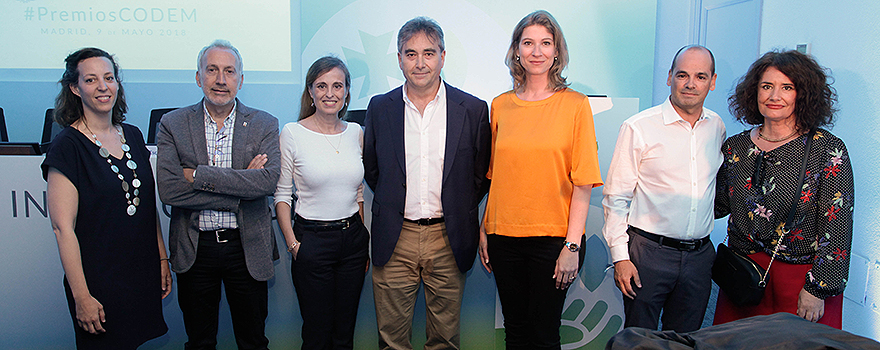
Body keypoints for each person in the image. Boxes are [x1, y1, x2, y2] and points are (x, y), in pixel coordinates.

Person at [363, 16, 491, 350]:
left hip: (448, 237)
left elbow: (479, 176)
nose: (420, 63)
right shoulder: (380, 107)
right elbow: (373, 170)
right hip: (396, 236)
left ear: (443, 57)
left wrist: (454, 206)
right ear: (399, 59)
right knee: (391, 340)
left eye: (429, 53)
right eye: (411, 54)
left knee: (445, 340)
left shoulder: (474, 109)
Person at [478, 10, 602, 349]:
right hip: (504, 236)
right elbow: (496, 177)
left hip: (554, 241)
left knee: (544, 333)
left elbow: (584, 182)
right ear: (516, 50)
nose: (537, 51)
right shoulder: (500, 106)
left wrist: (572, 246)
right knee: (515, 331)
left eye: (545, 43)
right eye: (528, 43)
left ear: (557, 51)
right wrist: (486, 228)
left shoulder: (575, 106)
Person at [714, 50, 853, 328]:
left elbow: (837, 226)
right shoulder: (735, 147)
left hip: (801, 282)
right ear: (754, 92)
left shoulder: (827, 149)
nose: (774, 96)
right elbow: (717, 205)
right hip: (744, 276)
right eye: (767, 86)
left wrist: (818, 289)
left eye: (787, 88)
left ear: (803, 95)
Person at [156, 40, 281, 349]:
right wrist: (241, 189)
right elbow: (171, 190)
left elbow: (266, 183)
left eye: (229, 71)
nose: (221, 80)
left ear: (241, 79)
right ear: (199, 77)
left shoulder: (265, 123)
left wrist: (197, 175)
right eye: (212, 70)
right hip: (196, 248)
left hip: (246, 246)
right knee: (199, 341)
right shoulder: (173, 123)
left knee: (253, 340)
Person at [43, 47, 170, 349]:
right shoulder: (67, 145)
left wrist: (162, 258)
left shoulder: (134, 135)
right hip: (97, 283)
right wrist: (81, 296)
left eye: (109, 78)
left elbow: (146, 206)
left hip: (139, 275)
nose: (103, 86)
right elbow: (63, 228)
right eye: (91, 80)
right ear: (75, 88)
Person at [601, 45, 725, 332]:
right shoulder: (639, 127)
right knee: (639, 338)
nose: (691, 84)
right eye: (683, 75)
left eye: (701, 76)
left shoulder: (716, 127)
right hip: (649, 254)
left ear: (713, 81)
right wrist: (621, 257)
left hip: (699, 258)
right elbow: (616, 197)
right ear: (670, 77)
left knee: (686, 338)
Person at [274, 56, 369, 350]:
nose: (330, 93)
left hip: (353, 241)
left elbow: (358, 192)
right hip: (312, 241)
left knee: (344, 333)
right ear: (311, 91)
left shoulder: (356, 132)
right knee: (317, 335)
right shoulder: (292, 133)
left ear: (347, 92)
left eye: (337, 86)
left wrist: (362, 237)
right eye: (322, 86)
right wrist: (294, 245)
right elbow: (281, 195)